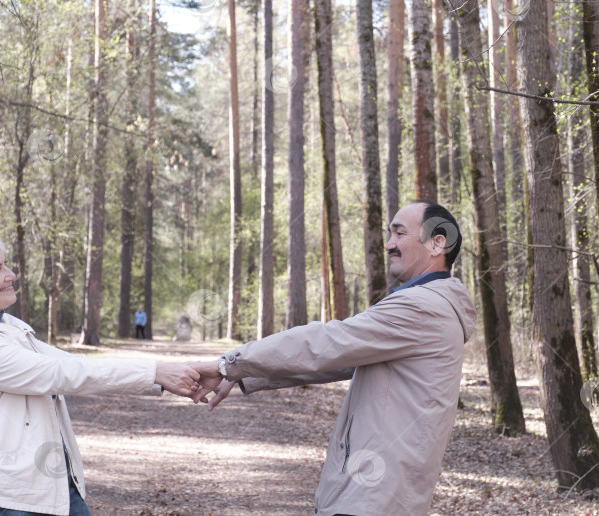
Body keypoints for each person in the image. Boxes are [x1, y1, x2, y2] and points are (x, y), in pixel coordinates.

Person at [191, 201, 477, 516]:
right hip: (380, 494)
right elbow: (339, 360)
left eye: (400, 233)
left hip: (372, 499)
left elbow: (325, 342)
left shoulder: (421, 307)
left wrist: (229, 363)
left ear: (438, 242)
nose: (389, 244)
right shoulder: (432, 307)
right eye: (389, 234)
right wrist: (239, 373)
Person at [0, 230, 200, 516]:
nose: (11, 275)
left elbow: (73, 362)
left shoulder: (9, 328)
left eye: (6, 265)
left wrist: (187, 372)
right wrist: (156, 372)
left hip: (53, 487)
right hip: (8, 498)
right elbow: (64, 372)